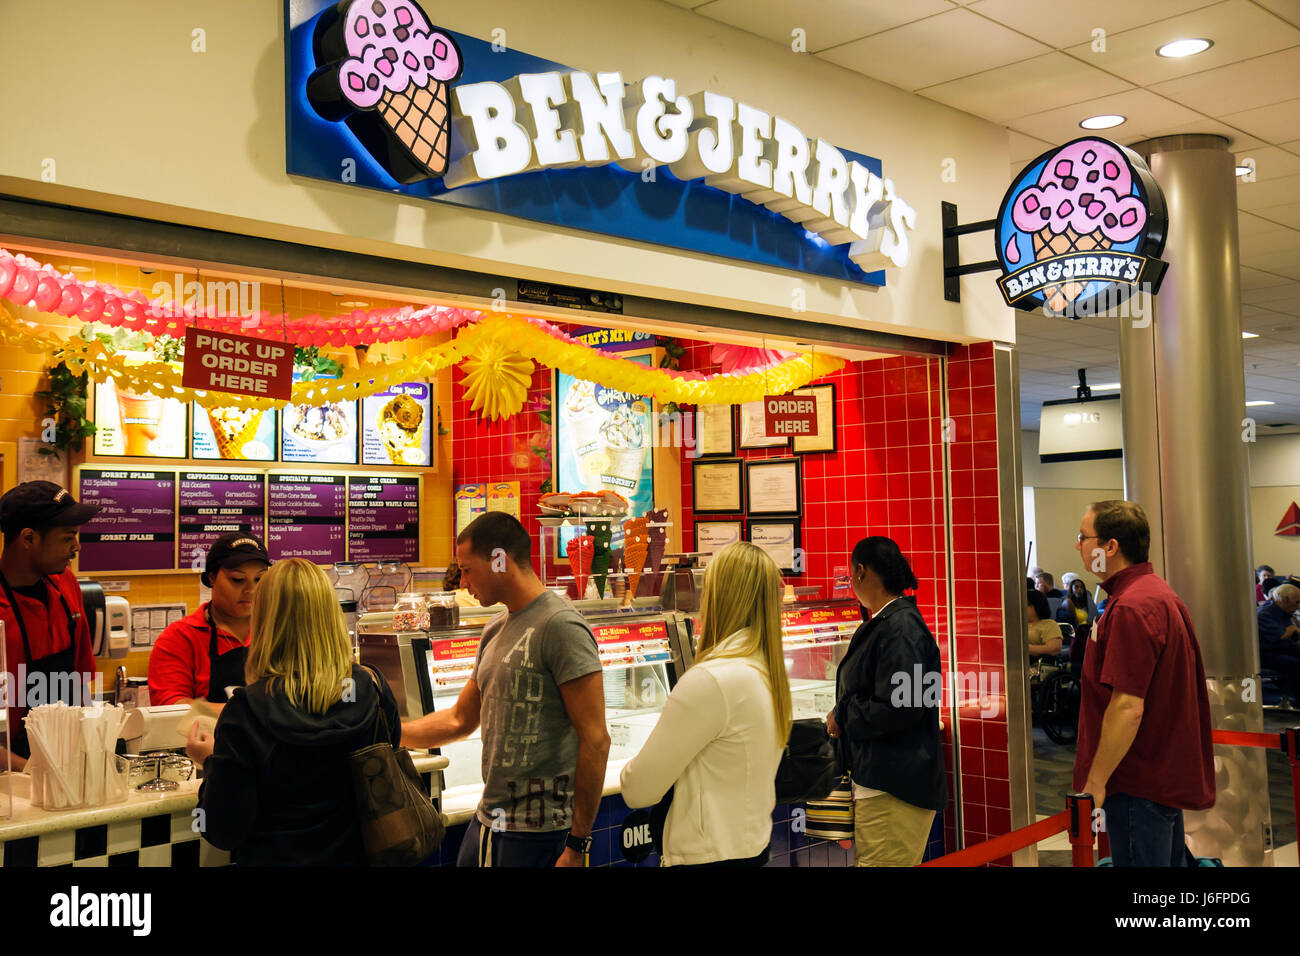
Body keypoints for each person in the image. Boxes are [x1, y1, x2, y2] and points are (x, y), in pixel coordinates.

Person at [401, 512, 609, 867]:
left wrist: (577, 843)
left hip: (542, 833)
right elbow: (459, 720)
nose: (463, 582)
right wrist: (389, 732)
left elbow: (595, 739)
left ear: (500, 559)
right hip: (488, 822)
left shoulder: (561, 626)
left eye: (467, 569)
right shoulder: (495, 628)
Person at [185, 558, 401, 865]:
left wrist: (211, 762)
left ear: (265, 620)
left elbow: (223, 830)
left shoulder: (247, 709)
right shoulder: (371, 688)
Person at [620, 542, 790, 866]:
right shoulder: (768, 672)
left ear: (719, 597)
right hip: (751, 848)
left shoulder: (712, 680)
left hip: (708, 856)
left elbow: (639, 790)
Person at [1072, 500, 1214, 867]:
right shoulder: (1155, 593)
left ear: (1111, 547)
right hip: (1155, 778)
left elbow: (1127, 706)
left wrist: (1096, 782)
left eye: (1083, 537)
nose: (1078, 546)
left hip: (1136, 782)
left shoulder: (1132, 607)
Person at [827, 536, 945, 866]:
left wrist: (844, 713)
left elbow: (903, 708)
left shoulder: (901, 628)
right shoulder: (890, 622)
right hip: (887, 785)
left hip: (894, 789)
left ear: (862, 572)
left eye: (852, 575)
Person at [0, 482, 100, 771]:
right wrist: (31, 769)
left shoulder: (66, 585)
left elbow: (80, 684)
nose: (76, 547)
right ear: (28, 538)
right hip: (11, 779)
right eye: (68, 538)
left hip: (69, 760)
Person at [149, 532, 270, 708]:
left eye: (259, 579)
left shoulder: (277, 630)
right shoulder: (179, 638)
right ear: (212, 577)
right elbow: (172, 709)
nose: (251, 590)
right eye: (238, 580)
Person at [1256, 583, 1300, 705]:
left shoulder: (1284, 614)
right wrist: (1291, 630)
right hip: (1267, 654)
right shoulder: (1265, 614)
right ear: (1285, 600)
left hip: (1281, 650)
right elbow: (1280, 639)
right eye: (1296, 602)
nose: (1298, 606)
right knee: (1294, 663)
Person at [1027, 590, 1062, 658]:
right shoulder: (1016, 624)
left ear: (1037, 606)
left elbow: (1054, 649)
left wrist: (1025, 649)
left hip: (1036, 664)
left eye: (1027, 604)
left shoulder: (1049, 624)